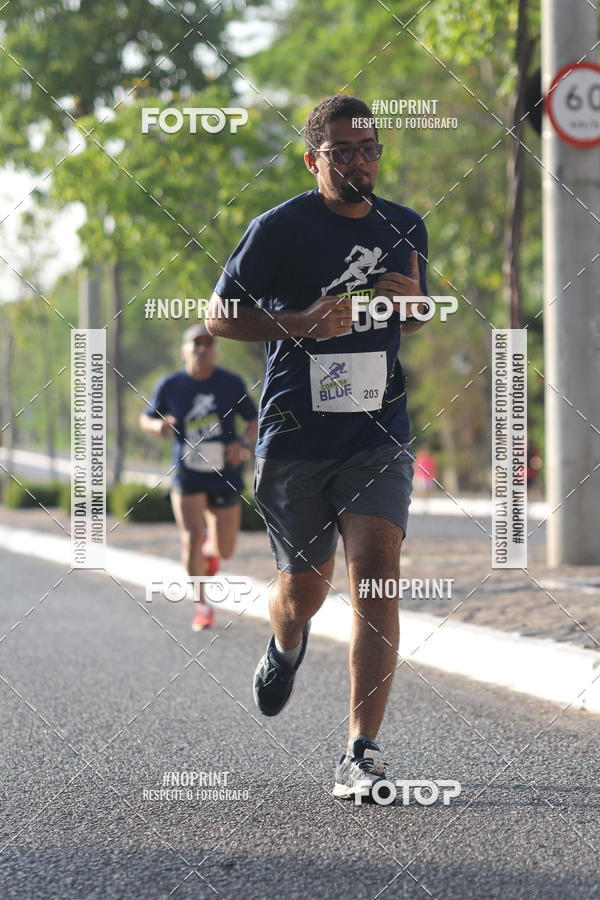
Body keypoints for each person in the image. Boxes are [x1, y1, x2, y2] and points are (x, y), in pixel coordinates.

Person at [206, 95, 430, 799]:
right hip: (297, 434)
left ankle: (360, 751)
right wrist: (298, 320)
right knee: (304, 591)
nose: (361, 162)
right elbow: (218, 317)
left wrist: (412, 305)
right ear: (313, 159)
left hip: (378, 431)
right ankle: (286, 641)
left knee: (378, 576)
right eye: (345, 152)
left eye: (371, 149)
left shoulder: (405, 224)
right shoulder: (277, 229)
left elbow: (420, 312)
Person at [140, 323, 258, 631]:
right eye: (196, 343)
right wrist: (159, 427)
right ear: (185, 350)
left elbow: (254, 419)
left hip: (225, 472)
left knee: (225, 549)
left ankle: (211, 551)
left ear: (215, 351)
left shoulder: (230, 383)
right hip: (187, 472)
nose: (202, 348)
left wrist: (243, 445)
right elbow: (146, 418)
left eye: (208, 343)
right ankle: (202, 605)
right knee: (191, 537)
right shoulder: (171, 385)